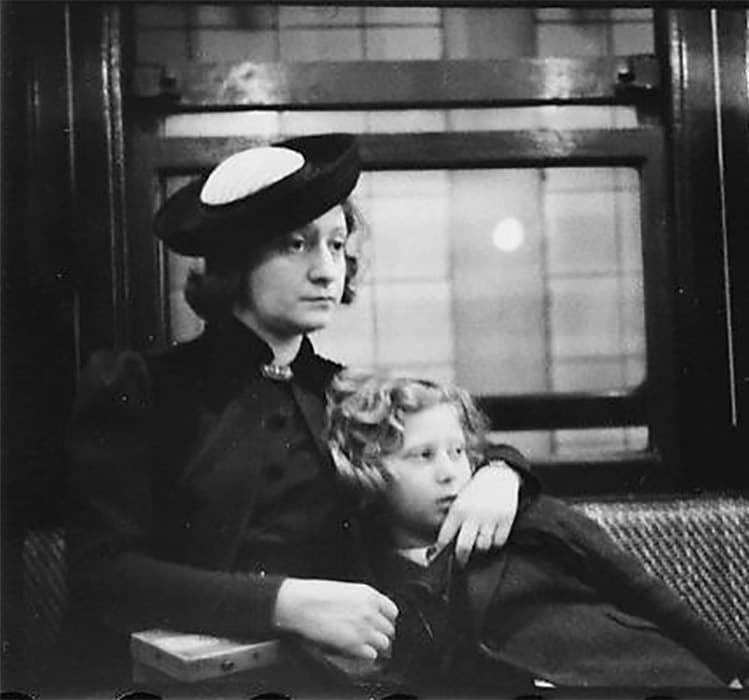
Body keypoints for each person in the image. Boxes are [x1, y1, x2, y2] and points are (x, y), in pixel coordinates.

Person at [61, 133, 534, 688]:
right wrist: (283, 602)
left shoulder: (344, 391)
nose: (326, 270)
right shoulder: (140, 386)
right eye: (296, 244)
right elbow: (104, 574)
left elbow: (443, 437)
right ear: (236, 262)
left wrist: (501, 473)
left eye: (336, 246)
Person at [324, 370, 749, 694]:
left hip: (638, 674)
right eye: (423, 456)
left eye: (457, 451)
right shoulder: (371, 577)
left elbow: (643, 591)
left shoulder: (528, 518)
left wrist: (725, 672)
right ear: (369, 473)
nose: (450, 472)